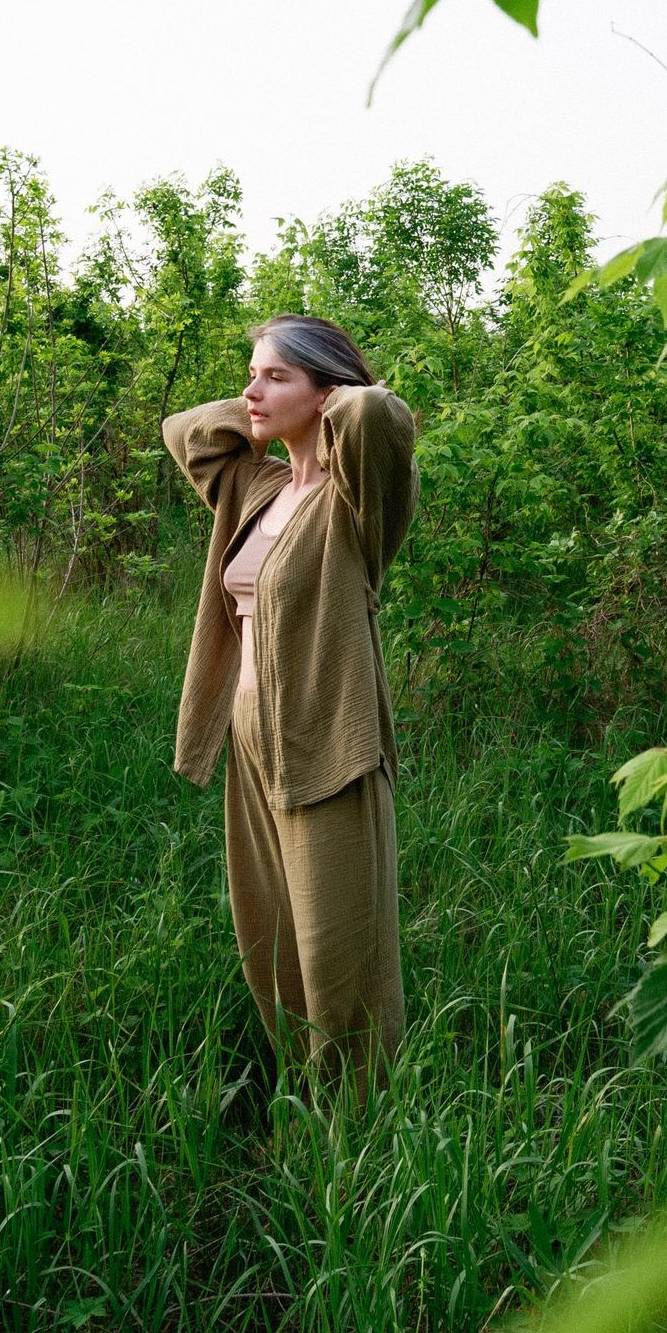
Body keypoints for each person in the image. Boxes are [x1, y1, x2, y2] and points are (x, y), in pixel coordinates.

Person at [162, 314, 417, 1094]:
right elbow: (186, 432)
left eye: (275, 375)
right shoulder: (258, 486)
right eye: (251, 372)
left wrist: (334, 403)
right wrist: (265, 410)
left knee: (340, 957)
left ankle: (358, 1134)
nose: (251, 389)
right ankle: (304, 1105)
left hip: (327, 742)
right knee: (270, 946)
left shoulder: (355, 502)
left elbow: (380, 417)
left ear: (326, 390)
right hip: (250, 743)